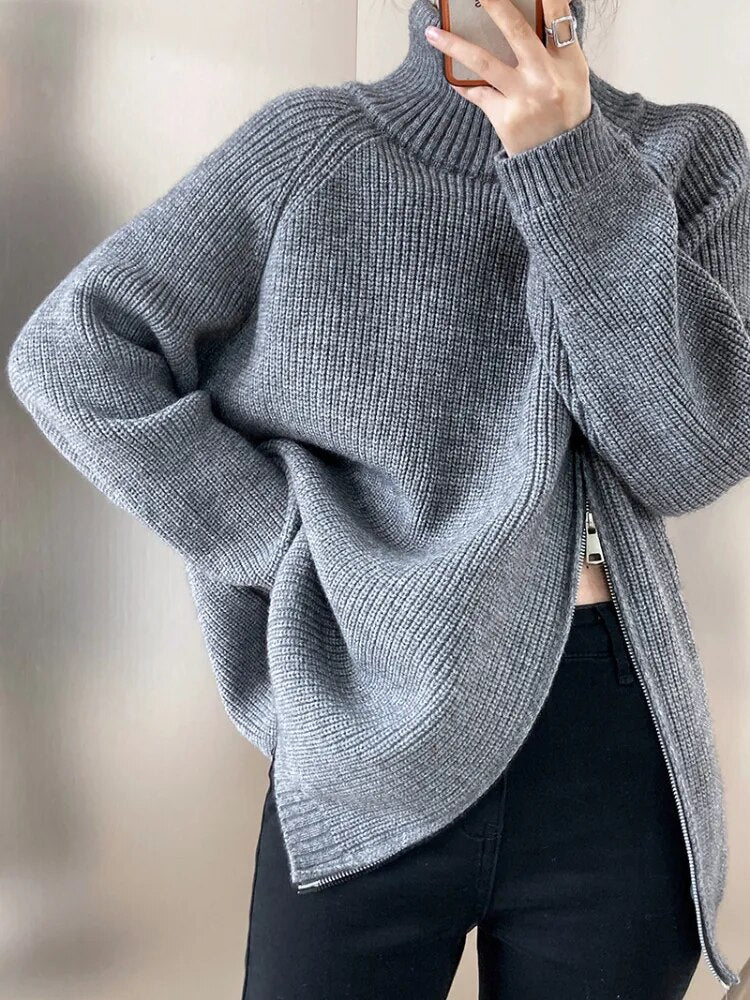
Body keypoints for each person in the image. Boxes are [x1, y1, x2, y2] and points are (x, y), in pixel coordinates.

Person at [6, 0, 749, 995]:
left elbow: (686, 462)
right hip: (364, 715)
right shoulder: (309, 148)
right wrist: (287, 542)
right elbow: (75, 355)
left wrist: (570, 167)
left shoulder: (685, 158)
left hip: (609, 735)